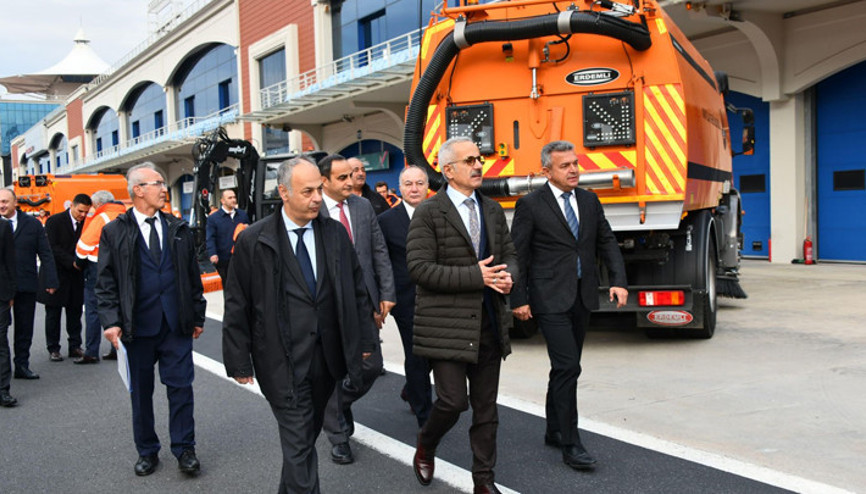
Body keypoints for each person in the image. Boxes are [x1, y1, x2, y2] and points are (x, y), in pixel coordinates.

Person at [223, 157, 374, 493]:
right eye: (308, 191)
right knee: (299, 440)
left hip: (326, 359)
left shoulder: (334, 234)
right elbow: (238, 303)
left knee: (304, 436)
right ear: (284, 193)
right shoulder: (254, 240)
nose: (318, 198)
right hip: (279, 360)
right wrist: (238, 359)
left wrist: (364, 340)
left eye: (319, 189)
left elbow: (357, 290)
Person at [407, 136, 517, 494]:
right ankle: (427, 442)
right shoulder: (429, 211)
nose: (478, 165)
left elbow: (510, 253)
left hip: (488, 323)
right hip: (446, 327)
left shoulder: (493, 210)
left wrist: (507, 276)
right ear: (448, 170)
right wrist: (477, 276)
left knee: (486, 411)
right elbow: (419, 269)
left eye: (479, 159)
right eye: (469, 160)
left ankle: (484, 482)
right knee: (453, 401)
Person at [510, 140, 628, 471]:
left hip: (583, 295)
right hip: (548, 298)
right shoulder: (530, 205)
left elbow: (605, 240)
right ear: (547, 171)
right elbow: (519, 254)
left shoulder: (590, 201)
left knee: (566, 365)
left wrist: (618, 280)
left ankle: (552, 428)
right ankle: (571, 444)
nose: (574, 169)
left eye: (576, 163)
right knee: (568, 367)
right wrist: (518, 298)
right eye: (565, 165)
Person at [96, 162, 206, 477]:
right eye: (157, 183)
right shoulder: (114, 232)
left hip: (175, 327)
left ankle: (185, 449)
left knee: (181, 389)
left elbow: (191, 277)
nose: (163, 188)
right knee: (141, 395)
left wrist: (196, 315)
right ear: (138, 190)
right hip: (136, 328)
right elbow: (105, 282)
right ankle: (147, 451)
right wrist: (110, 321)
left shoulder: (178, 229)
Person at [317, 154, 395, 465]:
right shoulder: (314, 209)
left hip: (363, 300)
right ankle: (338, 437)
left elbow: (378, 249)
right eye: (342, 178)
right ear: (325, 182)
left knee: (370, 366)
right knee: (334, 367)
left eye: (352, 175)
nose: (351, 182)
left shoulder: (362, 207)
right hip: (326, 304)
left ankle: (335, 407)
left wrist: (386, 292)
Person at [377, 165, 433, 427]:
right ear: (399, 188)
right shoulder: (386, 221)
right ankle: (425, 414)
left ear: (426, 186)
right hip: (406, 298)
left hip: (440, 297)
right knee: (417, 354)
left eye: (419, 183)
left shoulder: (440, 215)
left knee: (435, 353)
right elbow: (381, 261)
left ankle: (412, 388)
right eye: (408, 184)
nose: (414, 188)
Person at [0, 189, 58, 379]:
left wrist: (50, 279)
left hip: (25, 283)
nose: (2, 205)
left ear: (15, 202)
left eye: (5, 201)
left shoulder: (32, 224)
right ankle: (3, 370)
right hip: (2, 286)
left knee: (25, 327)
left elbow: (45, 253)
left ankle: (22, 365)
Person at [74, 190, 127, 364]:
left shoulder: (101, 218)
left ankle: (91, 351)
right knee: (118, 307)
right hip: (123, 268)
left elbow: (83, 246)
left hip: (98, 267)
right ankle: (116, 348)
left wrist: (79, 262)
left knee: (93, 309)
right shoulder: (127, 215)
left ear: (97, 204)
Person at [40, 193, 91, 361]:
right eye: (80, 211)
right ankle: (53, 348)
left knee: (75, 312)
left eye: (86, 212)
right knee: (53, 313)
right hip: (56, 273)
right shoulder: (54, 221)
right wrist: (72, 262)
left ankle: (75, 346)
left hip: (76, 275)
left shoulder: (87, 223)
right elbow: (51, 248)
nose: (82, 215)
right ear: (72, 206)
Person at [205, 189, 250, 282]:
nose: (233, 200)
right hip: (224, 259)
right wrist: (213, 253)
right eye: (230, 198)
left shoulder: (242, 215)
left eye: (234, 197)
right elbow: (210, 237)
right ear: (222, 201)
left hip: (241, 257)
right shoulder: (213, 218)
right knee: (229, 285)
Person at [1, 217, 17, 407]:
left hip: (1, 294)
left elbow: (10, 260)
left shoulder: (3, 226)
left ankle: (3, 390)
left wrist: (11, 292)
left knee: (0, 342)